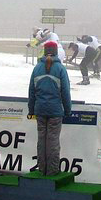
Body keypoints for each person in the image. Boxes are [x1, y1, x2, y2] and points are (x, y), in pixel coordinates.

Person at [28, 42, 71, 176]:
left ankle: (42, 168)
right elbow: (65, 92)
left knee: (41, 139)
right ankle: (52, 170)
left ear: (44, 51)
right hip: (55, 111)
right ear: (56, 52)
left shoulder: (37, 68)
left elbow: (31, 91)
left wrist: (31, 109)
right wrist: (68, 110)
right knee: (53, 140)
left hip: (40, 110)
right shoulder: (60, 68)